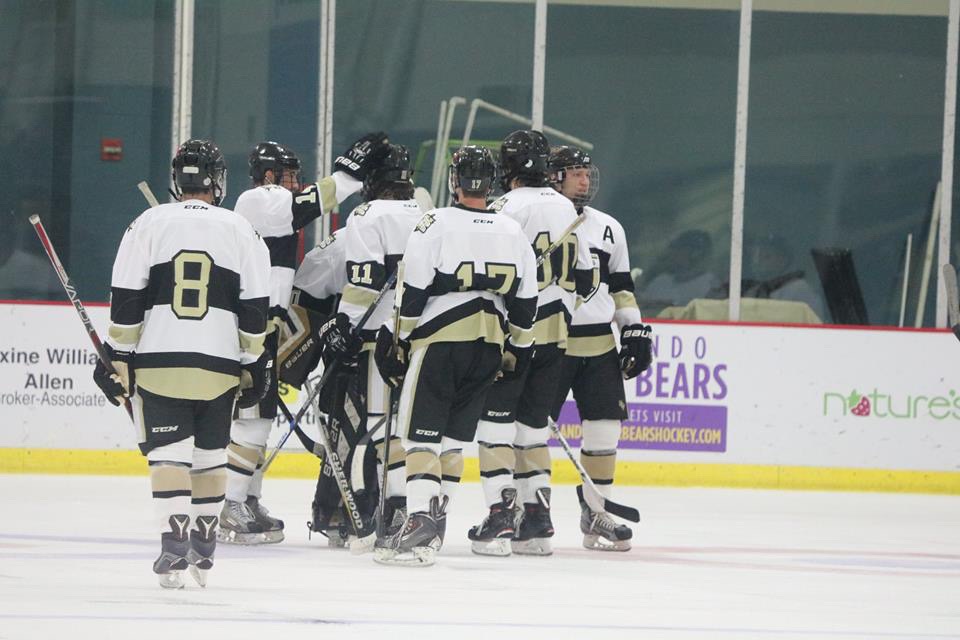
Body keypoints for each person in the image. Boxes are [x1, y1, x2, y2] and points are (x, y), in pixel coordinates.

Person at [92, 139, 272, 588]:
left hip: (159, 360)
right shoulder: (240, 228)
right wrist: (254, 361)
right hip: (220, 365)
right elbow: (255, 305)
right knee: (211, 455)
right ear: (218, 181)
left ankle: (174, 540)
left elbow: (127, 297)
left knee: (168, 454)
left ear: (178, 180)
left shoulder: (147, 222)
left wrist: (118, 354)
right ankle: (205, 542)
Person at [372, 145, 538, 566]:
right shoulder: (511, 230)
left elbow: (413, 290)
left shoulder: (435, 222)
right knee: (451, 440)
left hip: (441, 340)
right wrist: (516, 349)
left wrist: (399, 339)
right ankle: (436, 521)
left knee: (420, 437)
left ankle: (420, 525)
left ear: (456, 181)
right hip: (489, 345)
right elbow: (525, 301)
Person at [220, 133, 390, 545]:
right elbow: (318, 200)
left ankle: (248, 497)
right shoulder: (258, 199)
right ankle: (229, 504)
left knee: (259, 416)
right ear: (268, 175)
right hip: (254, 326)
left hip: (269, 325)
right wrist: (350, 171)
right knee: (253, 419)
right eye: (289, 175)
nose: (295, 182)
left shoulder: (269, 206)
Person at [469, 130, 595, 557]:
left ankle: (501, 516)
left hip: (515, 335)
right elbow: (588, 278)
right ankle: (537, 520)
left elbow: (488, 274)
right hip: (558, 334)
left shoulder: (503, 209)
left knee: (496, 426)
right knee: (533, 430)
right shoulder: (567, 209)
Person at [319, 144, 425, 549]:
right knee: (402, 427)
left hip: (376, 338)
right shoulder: (427, 216)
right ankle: (401, 507)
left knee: (378, 426)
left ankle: (381, 510)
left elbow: (364, 283)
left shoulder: (366, 215)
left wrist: (342, 324)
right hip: (417, 337)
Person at [547, 145, 653, 551]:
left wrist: (634, 329)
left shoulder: (609, 227)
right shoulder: (535, 221)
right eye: (575, 173)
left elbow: (621, 288)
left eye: (587, 173)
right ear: (554, 176)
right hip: (550, 342)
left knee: (605, 428)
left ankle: (596, 513)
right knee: (531, 433)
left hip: (598, 346)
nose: (585, 180)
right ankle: (527, 509)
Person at [639, 229, 719, 313]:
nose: (672, 253)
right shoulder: (660, 281)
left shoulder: (711, 285)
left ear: (696, 253)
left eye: (679, 249)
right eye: (674, 248)